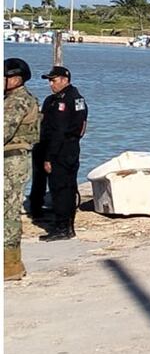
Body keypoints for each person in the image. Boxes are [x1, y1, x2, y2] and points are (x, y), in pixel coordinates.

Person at [38, 66, 88, 241]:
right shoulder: (63, 99)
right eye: (49, 81)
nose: (51, 84)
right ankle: (66, 226)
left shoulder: (67, 100)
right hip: (68, 148)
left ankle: (62, 228)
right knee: (66, 188)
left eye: (54, 80)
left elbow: (60, 131)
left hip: (61, 149)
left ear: (65, 80)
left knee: (61, 189)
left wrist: (49, 157)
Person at [4, 58, 39, 280]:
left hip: (12, 160)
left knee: (7, 212)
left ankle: (10, 265)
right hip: (11, 158)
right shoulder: (11, 99)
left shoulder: (17, 102)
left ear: (15, 79)